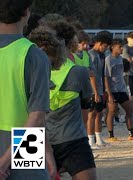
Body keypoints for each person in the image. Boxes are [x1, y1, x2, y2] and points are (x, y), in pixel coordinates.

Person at [28, 26, 97, 179]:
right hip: (72, 139)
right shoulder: (78, 72)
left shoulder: (23, 71)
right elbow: (85, 108)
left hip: (28, 137)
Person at [0, 1, 56, 179]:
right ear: (26, 13)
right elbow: (37, 115)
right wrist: (4, 162)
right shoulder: (33, 54)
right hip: (24, 140)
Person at [104, 39, 133, 141]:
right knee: (111, 112)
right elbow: (106, 78)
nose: (122, 48)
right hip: (113, 91)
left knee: (129, 110)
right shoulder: (109, 60)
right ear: (113, 47)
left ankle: (131, 134)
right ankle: (111, 136)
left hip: (121, 90)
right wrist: (109, 94)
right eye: (119, 47)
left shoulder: (120, 59)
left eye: (122, 46)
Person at [73, 30, 101, 139]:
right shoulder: (70, 55)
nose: (85, 46)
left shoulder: (86, 55)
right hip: (74, 91)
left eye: (86, 44)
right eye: (83, 43)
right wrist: (86, 71)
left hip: (85, 90)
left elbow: (92, 72)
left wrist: (95, 92)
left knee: (85, 118)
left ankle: (87, 142)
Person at [88, 31, 112, 147]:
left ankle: (99, 139)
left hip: (100, 89)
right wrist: (96, 92)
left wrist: (104, 91)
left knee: (99, 114)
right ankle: (91, 141)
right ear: (99, 43)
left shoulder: (101, 55)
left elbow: (101, 74)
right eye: (105, 46)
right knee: (91, 115)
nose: (106, 49)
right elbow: (91, 75)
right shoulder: (91, 55)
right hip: (93, 90)